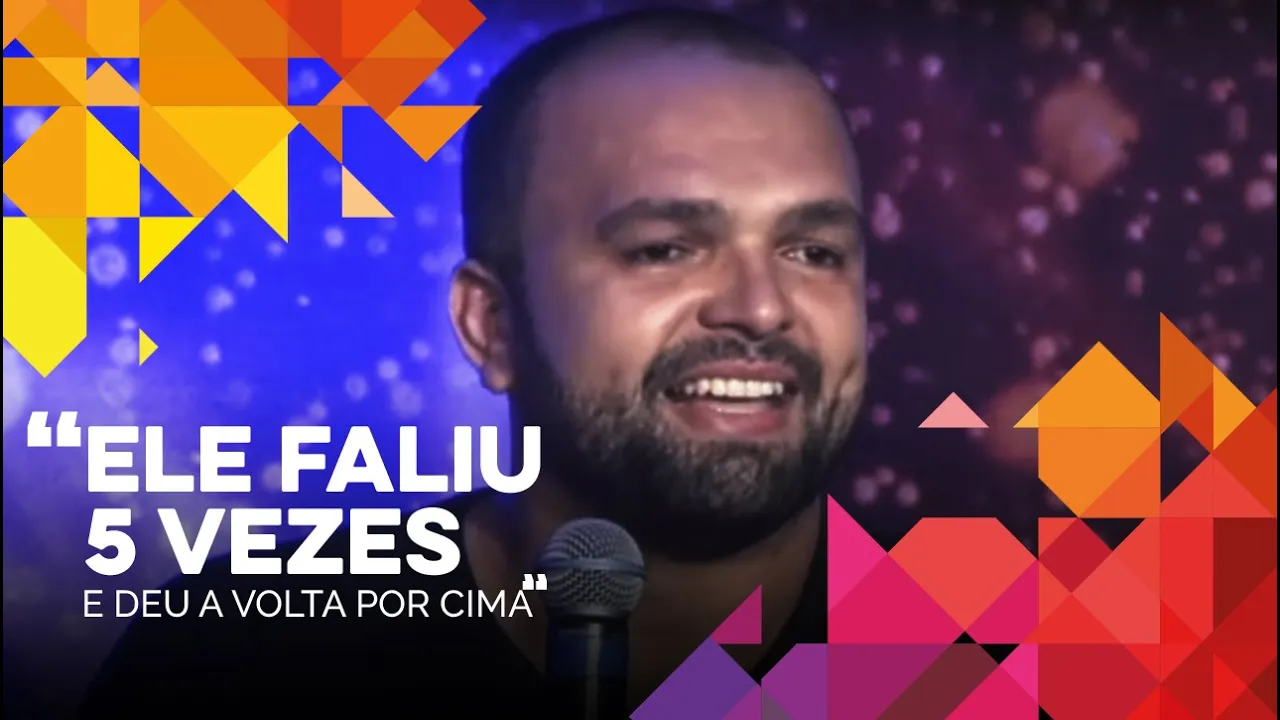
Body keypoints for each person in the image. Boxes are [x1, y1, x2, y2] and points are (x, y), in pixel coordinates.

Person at [80, 7, 866, 716]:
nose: (762, 307)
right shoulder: (242, 660)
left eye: (814, 252)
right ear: (492, 325)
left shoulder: (941, 645)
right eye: (664, 249)